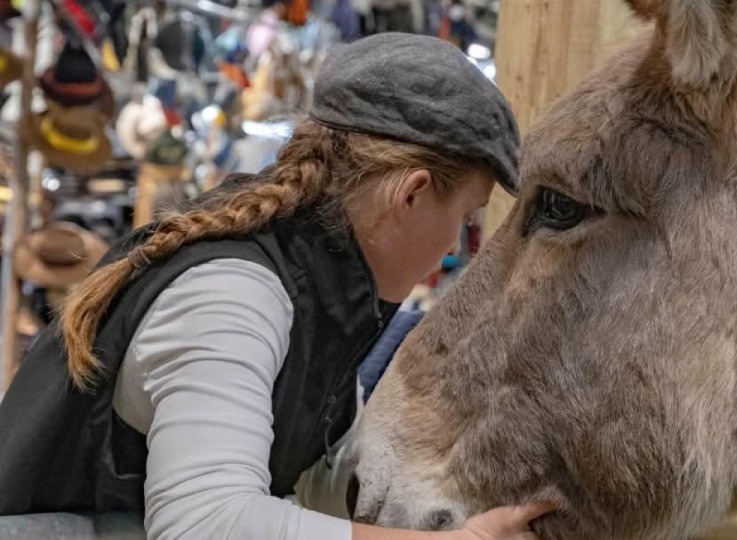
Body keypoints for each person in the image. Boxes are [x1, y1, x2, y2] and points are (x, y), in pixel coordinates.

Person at [0, 33, 553, 540]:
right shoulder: (233, 294)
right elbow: (207, 526)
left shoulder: (322, 296)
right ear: (410, 194)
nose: (456, 242)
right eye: (466, 216)